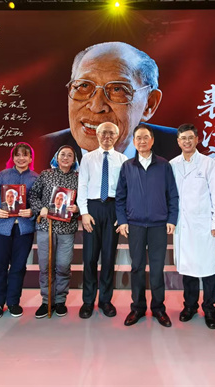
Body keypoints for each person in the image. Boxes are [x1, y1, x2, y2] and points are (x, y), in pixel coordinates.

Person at [39, 41, 179, 169]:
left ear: (149, 104)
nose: (96, 107)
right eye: (84, 86)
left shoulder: (181, 150)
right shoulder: (39, 152)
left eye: (117, 89)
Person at [116, 124, 179, 328]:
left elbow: (172, 195)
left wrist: (172, 219)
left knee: (157, 268)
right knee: (137, 267)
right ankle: (138, 308)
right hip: (135, 225)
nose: (142, 141)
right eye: (138, 138)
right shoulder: (127, 166)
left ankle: (159, 308)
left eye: (145, 137)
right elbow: (120, 197)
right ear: (134, 142)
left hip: (158, 225)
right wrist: (122, 221)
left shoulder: (164, 165)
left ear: (152, 140)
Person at [169, 124, 215, 329]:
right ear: (178, 141)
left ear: (197, 139)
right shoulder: (172, 164)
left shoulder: (209, 164)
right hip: (183, 225)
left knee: (208, 270)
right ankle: (190, 306)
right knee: (188, 269)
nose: (186, 141)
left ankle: (209, 309)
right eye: (183, 138)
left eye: (190, 138)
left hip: (204, 225)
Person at [77, 122, 128, 319]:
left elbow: (125, 190)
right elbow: (82, 185)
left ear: (117, 136)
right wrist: (84, 212)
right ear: (97, 135)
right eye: (103, 133)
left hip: (113, 209)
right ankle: (88, 301)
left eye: (111, 133)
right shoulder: (88, 158)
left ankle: (105, 300)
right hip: (93, 209)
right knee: (90, 258)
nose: (107, 136)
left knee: (108, 257)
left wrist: (121, 216)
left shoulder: (123, 160)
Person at [0, 143, 38, 320]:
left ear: (30, 158)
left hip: (23, 229)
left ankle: (13, 302)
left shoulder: (36, 178)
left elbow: (40, 202)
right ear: (13, 157)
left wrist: (32, 211)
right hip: (1, 229)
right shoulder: (2, 175)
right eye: (17, 155)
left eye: (25, 155)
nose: (21, 158)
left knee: (18, 267)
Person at [28, 145, 79, 318]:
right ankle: (46, 301)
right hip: (46, 227)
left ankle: (60, 300)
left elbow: (83, 201)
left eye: (69, 155)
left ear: (74, 160)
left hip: (66, 229)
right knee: (45, 266)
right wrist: (40, 208)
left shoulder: (78, 178)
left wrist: (77, 208)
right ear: (56, 158)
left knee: (63, 265)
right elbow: (33, 195)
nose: (65, 158)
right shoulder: (45, 174)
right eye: (62, 154)